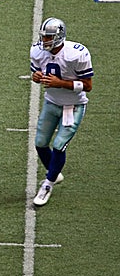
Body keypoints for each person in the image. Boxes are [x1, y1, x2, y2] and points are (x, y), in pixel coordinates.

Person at [30, 17, 94, 206]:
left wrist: (61, 84)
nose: (45, 41)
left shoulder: (76, 54)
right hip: (51, 102)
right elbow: (36, 74)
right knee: (40, 143)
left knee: (58, 145)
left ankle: (48, 184)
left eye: (49, 37)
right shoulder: (37, 51)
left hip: (73, 106)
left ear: (59, 37)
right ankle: (54, 173)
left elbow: (88, 86)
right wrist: (36, 77)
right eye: (44, 37)